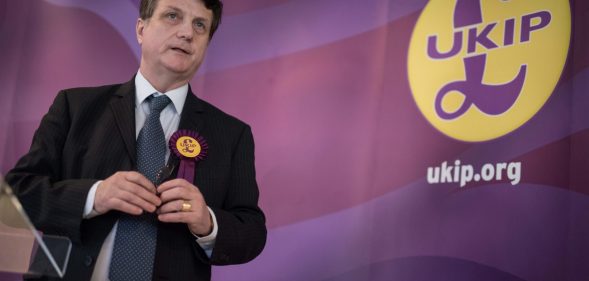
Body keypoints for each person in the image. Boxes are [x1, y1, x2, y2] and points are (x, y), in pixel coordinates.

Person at [5, 0, 266, 280]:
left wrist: (207, 222)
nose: (187, 33)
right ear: (141, 29)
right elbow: (15, 197)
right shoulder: (74, 106)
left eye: (199, 25)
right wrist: (94, 196)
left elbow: (251, 232)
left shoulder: (232, 134)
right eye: (172, 16)